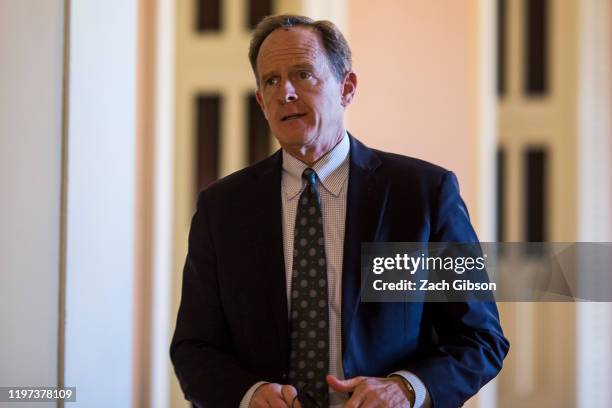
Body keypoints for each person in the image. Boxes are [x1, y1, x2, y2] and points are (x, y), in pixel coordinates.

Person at [170, 14, 509, 408]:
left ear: (346, 88)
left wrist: (405, 388)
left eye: (303, 74)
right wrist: (247, 395)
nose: (287, 93)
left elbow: (480, 338)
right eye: (271, 81)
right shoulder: (222, 209)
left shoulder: (422, 195)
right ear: (261, 102)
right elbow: (195, 347)